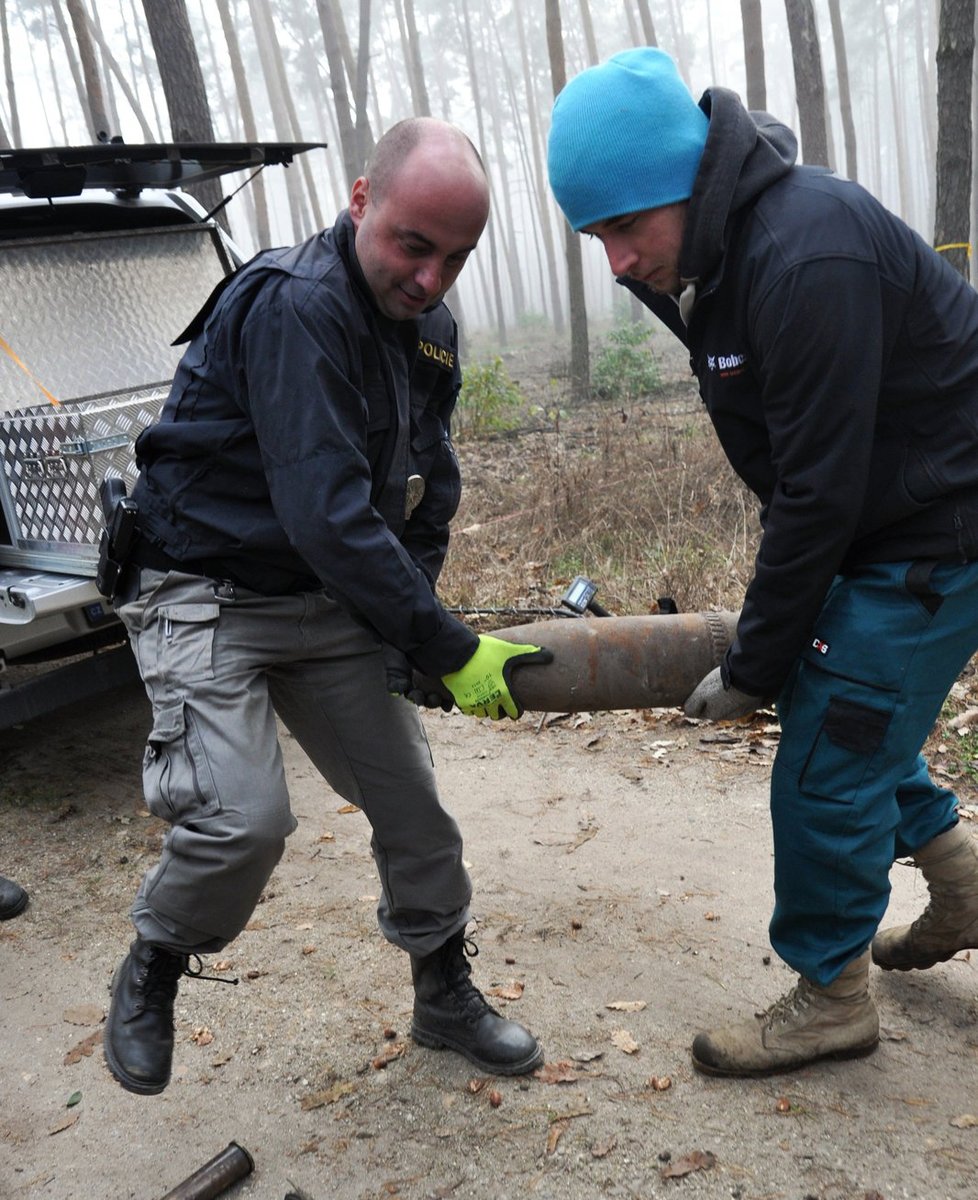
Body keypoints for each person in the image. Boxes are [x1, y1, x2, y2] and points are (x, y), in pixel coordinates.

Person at [547, 48, 978, 1077]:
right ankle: (959, 878)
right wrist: (782, 645)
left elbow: (816, 492)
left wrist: (752, 665)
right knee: (842, 704)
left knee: (826, 756)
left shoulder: (806, 255)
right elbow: (809, 476)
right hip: (887, 520)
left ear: (688, 182)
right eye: (592, 234)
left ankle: (832, 997)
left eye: (621, 226)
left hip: (937, 533)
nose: (613, 261)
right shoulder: (716, 249)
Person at [103, 117, 549, 1097]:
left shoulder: (427, 328)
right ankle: (155, 965)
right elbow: (329, 515)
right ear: (360, 203)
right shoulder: (298, 308)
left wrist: (409, 624)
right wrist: (444, 644)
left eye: (457, 257)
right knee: (243, 820)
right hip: (201, 584)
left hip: (321, 592)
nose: (431, 277)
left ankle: (442, 991)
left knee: (413, 805)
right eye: (412, 245)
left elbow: (428, 484)